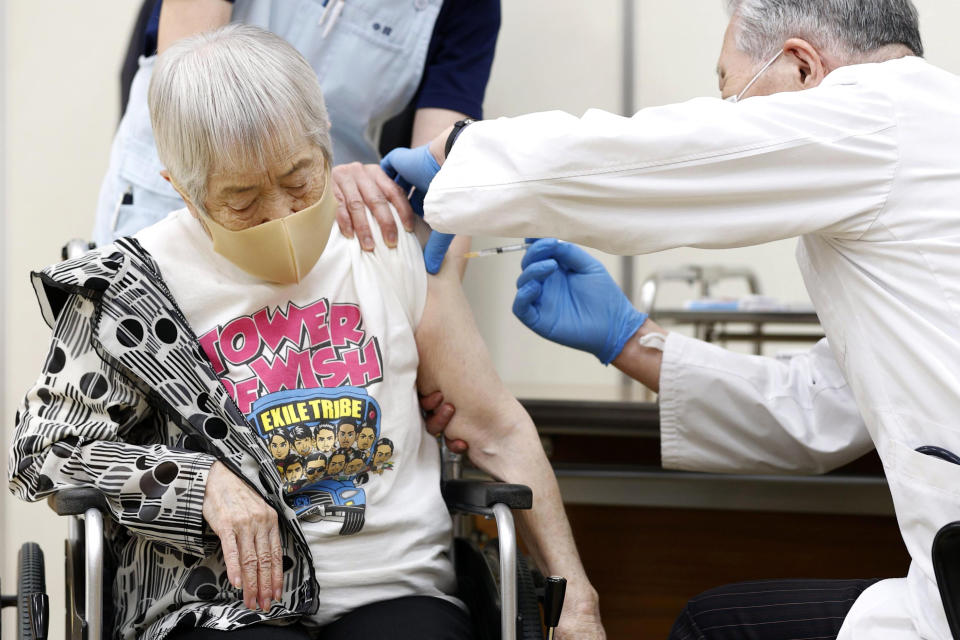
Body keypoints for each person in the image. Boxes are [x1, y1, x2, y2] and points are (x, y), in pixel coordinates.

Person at [8, 25, 603, 640]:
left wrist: (578, 602)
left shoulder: (380, 239)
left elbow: (496, 426)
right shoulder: (127, 288)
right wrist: (199, 483)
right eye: (240, 201)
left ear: (325, 146)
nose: (281, 216)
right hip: (219, 603)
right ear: (181, 190)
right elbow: (41, 451)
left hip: (396, 590)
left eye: (299, 181)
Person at [387, 0, 960, 638]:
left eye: (732, 98)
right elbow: (821, 408)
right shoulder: (926, 140)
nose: (729, 122)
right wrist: (630, 340)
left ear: (801, 69)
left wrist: (461, 155)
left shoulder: (877, 115)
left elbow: (658, 157)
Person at [92, 0, 501, 257]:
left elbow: (446, 178)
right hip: (183, 191)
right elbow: (193, 95)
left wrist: (435, 297)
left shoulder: (467, 9)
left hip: (323, 209)